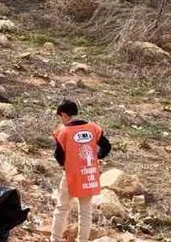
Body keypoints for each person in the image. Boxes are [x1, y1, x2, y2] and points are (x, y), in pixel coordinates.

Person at [50, 100, 111, 242]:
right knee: (85, 212)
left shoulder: (63, 131)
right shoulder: (93, 128)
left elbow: (58, 155)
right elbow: (106, 146)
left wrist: (64, 166)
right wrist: (97, 157)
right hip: (88, 173)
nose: (60, 120)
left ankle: (55, 239)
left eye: (59, 116)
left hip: (71, 175)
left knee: (61, 209)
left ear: (64, 114)